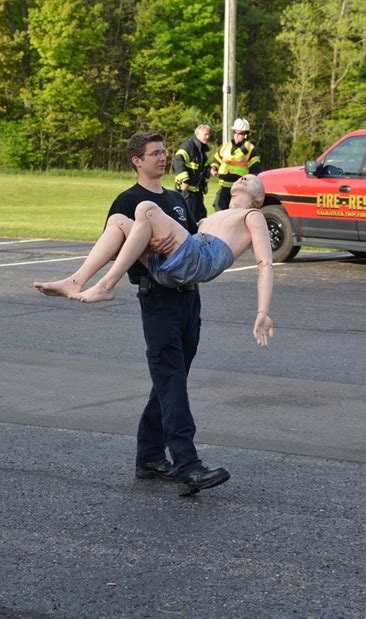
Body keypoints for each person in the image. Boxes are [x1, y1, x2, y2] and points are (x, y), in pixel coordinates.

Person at [34, 131, 231, 497]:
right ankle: (188, 466)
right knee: (171, 379)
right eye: (154, 153)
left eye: (163, 152)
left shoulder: (174, 198)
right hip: (157, 299)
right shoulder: (129, 200)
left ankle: (149, 456)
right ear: (136, 160)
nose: (162, 158)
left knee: (170, 380)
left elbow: (189, 244)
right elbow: (114, 245)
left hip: (189, 299)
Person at [34, 175, 273, 348]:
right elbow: (125, 248)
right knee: (118, 220)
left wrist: (262, 311)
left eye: (251, 180)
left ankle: (106, 286)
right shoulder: (210, 218)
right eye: (243, 176)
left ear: (259, 198)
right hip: (167, 269)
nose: (243, 178)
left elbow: (265, 264)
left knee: (147, 208)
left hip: (199, 259)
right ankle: (75, 281)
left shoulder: (253, 216)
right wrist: (147, 242)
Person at [211, 117, 262, 211]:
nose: (237, 135)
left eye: (240, 133)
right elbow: (217, 159)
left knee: (235, 213)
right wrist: (214, 167)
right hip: (224, 187)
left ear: (246, 135)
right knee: (219, 210)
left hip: (239, 188)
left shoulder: (249, 149)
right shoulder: (226, 146)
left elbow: (255, 169)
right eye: (235, 132)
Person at [173, 124, 211, 222]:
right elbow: (178, 160)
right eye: (205, 134)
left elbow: (205, 169)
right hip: (187, 192)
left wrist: (205, 184)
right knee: (186, 218)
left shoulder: (202, 149)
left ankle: (198, 236)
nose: (207, 137)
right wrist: (184, 181)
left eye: (208, 134)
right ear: (197, 134)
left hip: (197, 192)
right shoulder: (188, 146)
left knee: (201, 217)